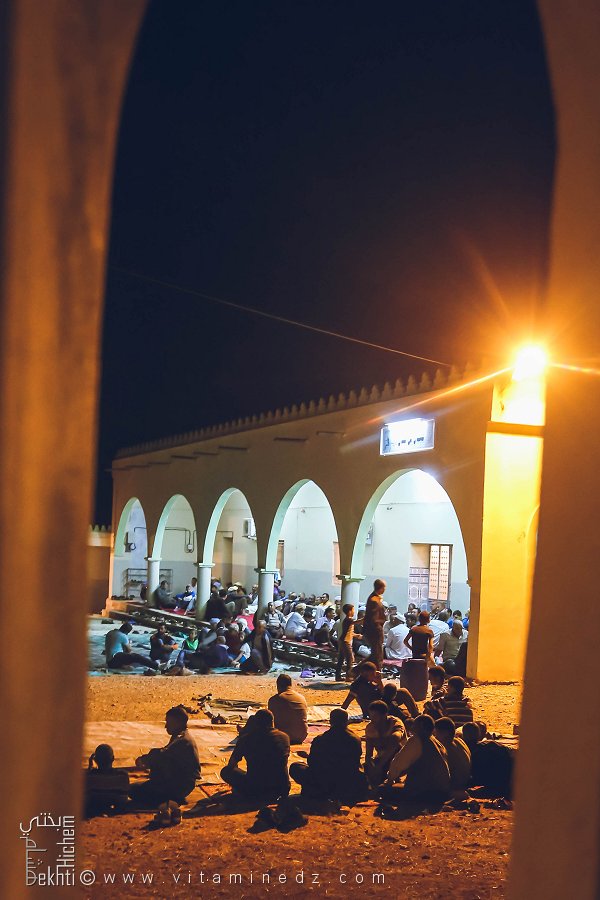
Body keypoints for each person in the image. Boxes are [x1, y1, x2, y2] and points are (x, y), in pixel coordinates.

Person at [289, 708, 368, 805]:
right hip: (348, 782)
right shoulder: (355, 739)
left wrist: (307, 756)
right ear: (346, 721)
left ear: (331, 722)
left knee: (296, 767)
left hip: (324, 783)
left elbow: (313, 763)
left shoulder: (321, 739)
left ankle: (316, 793)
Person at [130, 706, 201, 806]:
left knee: (133, 790)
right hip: (182, 783)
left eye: (169, 722)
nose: (166, 726)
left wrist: (145, 760)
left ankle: (169, 799)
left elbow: (161, 755)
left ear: (178, 723)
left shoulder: (182, 740)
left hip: (180, 785)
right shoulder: (182, 736)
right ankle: (170, 797)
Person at [221, 708, 290, 803]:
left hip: (256, 790)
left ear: (255, 724)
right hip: (281, 788)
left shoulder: (247, 739)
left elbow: (231, 765)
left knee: (226, 771)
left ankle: (244, 792)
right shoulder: (285, 737)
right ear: (272, 722)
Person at [382, 714, 451, 805]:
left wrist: (389, 780)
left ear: (421, 726)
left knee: (382, 789)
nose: (411, 727)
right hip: (443, 792)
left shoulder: (416, 740)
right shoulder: (436, 742)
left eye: (414, 725)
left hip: (425, 793)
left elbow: (397, 764)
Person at [462, 721, 515, 799]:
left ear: (464, 735)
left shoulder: (468, 752)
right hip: (508, 785)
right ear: (479, 735)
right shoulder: (493, 744)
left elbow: (473, 778)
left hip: (494, 788)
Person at [364, 700, 406, 787]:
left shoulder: (395, 723)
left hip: (401, 758)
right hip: (382, 759)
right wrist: (371, 766)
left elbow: (395, 741)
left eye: (375, 716)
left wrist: (379, 766)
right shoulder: (370, 728)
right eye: (371, 715)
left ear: (385, 715)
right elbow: (368, 753)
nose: (372, 719)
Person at [85, 744, 130, 817]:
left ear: (95, 760)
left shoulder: (90, 776)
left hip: (94, 803)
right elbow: (123, 799)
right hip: (116, 803)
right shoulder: (123, 775)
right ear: (113, 759)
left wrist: (90, 768)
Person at [433, 717, 471, 795]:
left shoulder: (444, 747)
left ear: (445, 733)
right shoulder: (460, 741)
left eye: (436, 733)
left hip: (453, 787)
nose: (435, 736)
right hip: (464, 783)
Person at [267, 673, 308, 744]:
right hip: (301, 736)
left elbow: (270, 722)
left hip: (282, 738)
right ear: (290, 685)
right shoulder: (301, 698)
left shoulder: (274, 700)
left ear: (278, 686)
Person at [362, 579, 387, 670]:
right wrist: (379, 630)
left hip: (375, 630)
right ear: (381, 588)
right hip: (375, 631)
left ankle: (355, 671)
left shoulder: (375, 598)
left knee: (375, 655)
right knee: (378, 656)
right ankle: (356, 671)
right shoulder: (374, 600)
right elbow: (374, 619)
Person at [335, 603, 356, 682]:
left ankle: (338, 676)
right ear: (350, 611)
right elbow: (355, 622)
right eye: (353, 610)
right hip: (345, 641)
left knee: (341, 659)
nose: (354, 612)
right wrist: (364, 619)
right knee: (350, 659)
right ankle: (348, 676)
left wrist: (356, 635)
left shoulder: (346, 620)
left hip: (343, 640)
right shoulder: (349, 619)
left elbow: (348, 632)